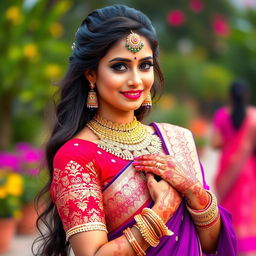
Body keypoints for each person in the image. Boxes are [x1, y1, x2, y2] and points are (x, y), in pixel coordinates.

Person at [33, 5, 237, 256]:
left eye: (144, 65)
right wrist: (162, 210)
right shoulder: (76, 156)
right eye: (119, 66)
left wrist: (193, 191)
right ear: (91, 74)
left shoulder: (177, 139)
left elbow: (211, 244)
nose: (136, 80)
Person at [211, 80, 256, 256]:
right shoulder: (253, 116)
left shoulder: (222, 115)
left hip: (227, 168)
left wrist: (229, 140)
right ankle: (249, 248)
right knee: (246, 208)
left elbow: (215, 143)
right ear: (246, 96)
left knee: (229, 207)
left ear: (229, 96)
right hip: (249, 169)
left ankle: (229, 245)